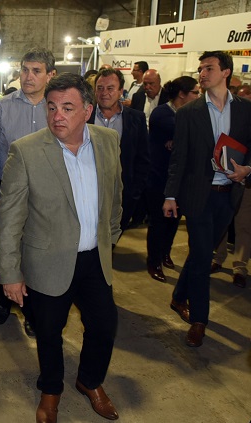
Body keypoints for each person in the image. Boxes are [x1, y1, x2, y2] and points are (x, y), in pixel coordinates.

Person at [0, 73, 122, 423]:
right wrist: (10, 273)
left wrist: (110, 237)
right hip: (47, 262)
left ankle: (89, 381)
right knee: (49, 333)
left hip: (94, 259)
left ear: (87, 110)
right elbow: (9, 220)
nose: (57, 116)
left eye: (67, 108)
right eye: (52, 107)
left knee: (104, 325)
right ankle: (51, 390)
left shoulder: (108, 141)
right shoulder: (26, 151)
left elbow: (115, 194)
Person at [163, 51, 251, 347]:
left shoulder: (246, 110)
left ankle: (178, 297)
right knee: (202, 258)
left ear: (226, 72)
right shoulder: (189, 112)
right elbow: (179, 157)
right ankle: (199, 319)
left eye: (209, 68)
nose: (202, 73)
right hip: (198, 196)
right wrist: (170, 195)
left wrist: (247, 170)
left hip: (230, 196)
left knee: (200, 254)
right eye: (200, 68)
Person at [0, 47, 56, 337]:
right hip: (10, 192)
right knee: (7, 247)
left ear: (50, 75)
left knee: (37, 251)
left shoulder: (57, 107)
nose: (28, 76)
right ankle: (5, 299)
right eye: (25, 70)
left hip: (47, 194)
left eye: (36, 71)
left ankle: (31, 308)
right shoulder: (3, 108)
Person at [145, 76, 200, 282]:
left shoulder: (186, 114)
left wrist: (178, 143)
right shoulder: (162, 113)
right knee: (158, 223)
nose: (198, 96)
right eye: (195, 92)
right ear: (182, 94)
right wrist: (181, 142)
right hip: (159, 178)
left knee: (174, 221)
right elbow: (190, 134)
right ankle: (154, 261)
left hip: (179, 180)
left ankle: (165, 253)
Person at [87, 67, 149, 232]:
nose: (104, 93)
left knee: (113, 238)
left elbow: (142, 159)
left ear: (121, 91)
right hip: (88, 194)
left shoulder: (136, 119)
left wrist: (134, 193)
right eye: (100, 88)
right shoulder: (84, 116)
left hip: (123, 196)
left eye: (110, 88)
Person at [210, 84, 251, 288]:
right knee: (222, 223)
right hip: (225, 180)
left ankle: (240, 267)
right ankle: (218, 258)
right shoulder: (229, 117)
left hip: (246, 182)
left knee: (243, 225)